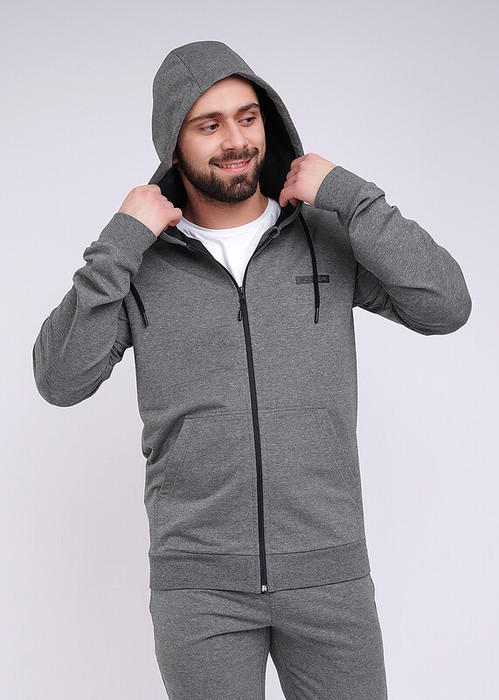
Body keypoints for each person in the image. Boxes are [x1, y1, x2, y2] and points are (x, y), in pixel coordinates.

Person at [32, 40, 472, 700]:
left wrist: (349, 197)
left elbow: (446, 304)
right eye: (208, 125)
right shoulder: (138, 262)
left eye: (247, 117)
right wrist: (121, 240)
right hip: (198, 591)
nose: (236, 141)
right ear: (173, 143)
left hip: (330, 578)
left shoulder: (323, 234)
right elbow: (60, 379)